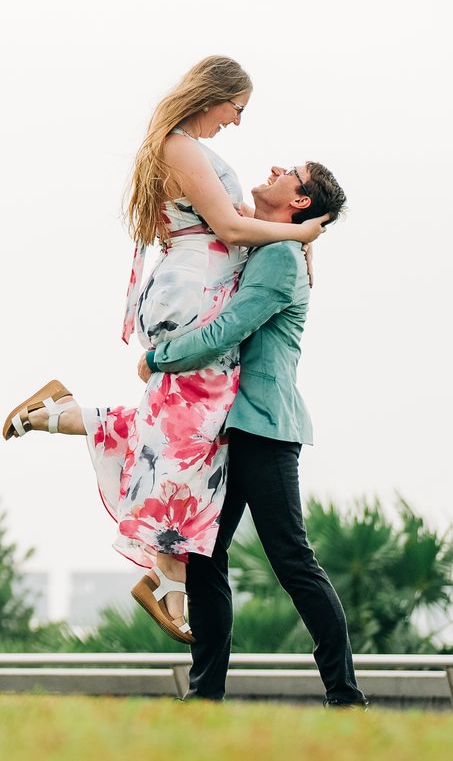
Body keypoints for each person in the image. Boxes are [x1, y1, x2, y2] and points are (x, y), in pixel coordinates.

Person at [0, 55, 320, 643]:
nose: (238, 123)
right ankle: (170, 579)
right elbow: (230, 230)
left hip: (195, 291)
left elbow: (240, 225)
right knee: (189, 436)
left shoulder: (187, 149)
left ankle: (54, 416)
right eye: (237, 109)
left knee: (168, 428)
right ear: (215, 95)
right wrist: (299, 233)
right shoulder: (180, 147)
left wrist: (291, 240)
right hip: (193, 297)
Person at [141, 159, 362, 706]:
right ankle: (205, 697)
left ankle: (344, 694)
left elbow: (228, 329)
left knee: (291, 558)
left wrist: (159, 356)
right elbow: (223, 215)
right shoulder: (274, 243)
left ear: (301, 201)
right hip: (229, 425)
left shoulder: (282, 258)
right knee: (206, 557)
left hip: (262, 425)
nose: (274, 168)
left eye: (290, 171)